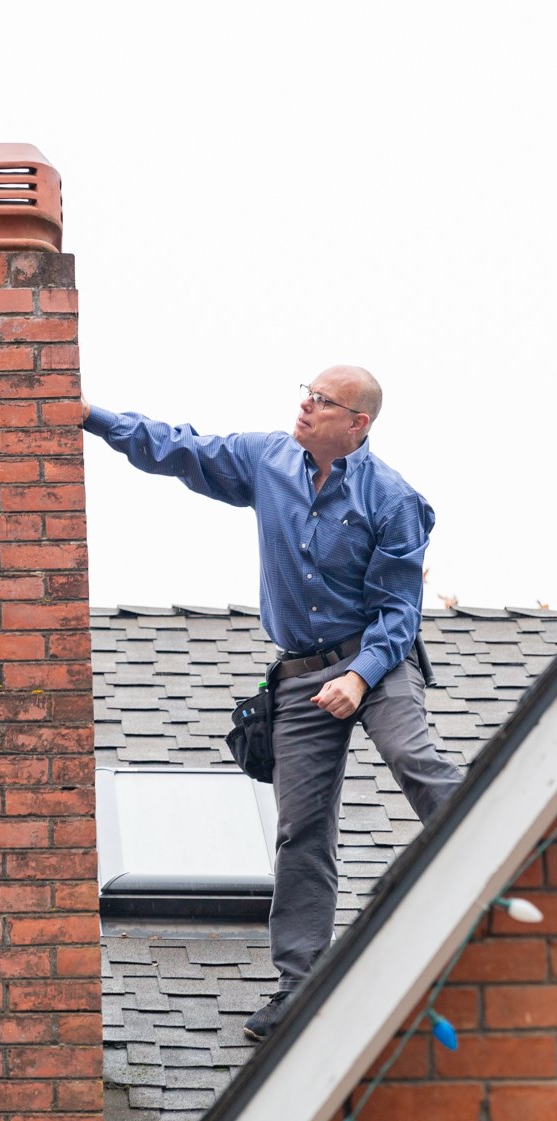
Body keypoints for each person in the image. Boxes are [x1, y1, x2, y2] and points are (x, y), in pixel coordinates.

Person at [82, 366, 464, 1041]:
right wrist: (90, 415)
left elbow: (399, 613)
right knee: (301, 830)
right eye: (306, 393)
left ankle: (516, 865)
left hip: (378, 654)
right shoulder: (267, 461)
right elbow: (180, 448)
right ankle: (301, 986)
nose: (306, 407)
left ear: (358, 424)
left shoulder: (393, 498)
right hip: (300, 678)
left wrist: (363, 676)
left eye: (323, 401)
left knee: (414, 755)